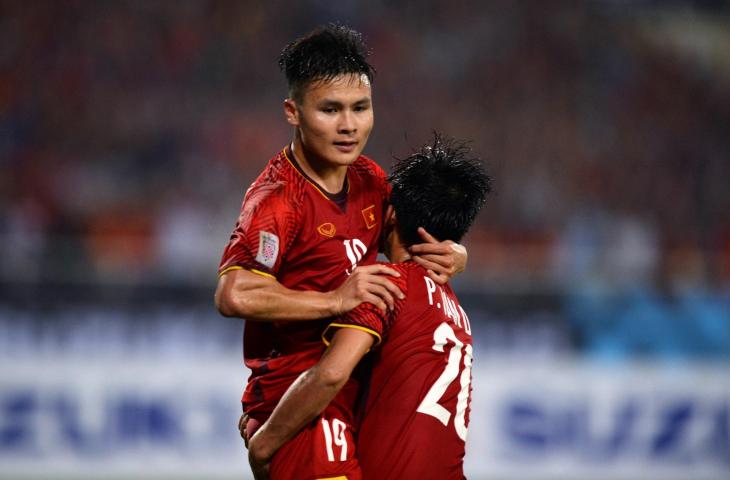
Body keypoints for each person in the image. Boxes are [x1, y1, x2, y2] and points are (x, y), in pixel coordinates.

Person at [214, 25, 466, 479]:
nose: (349, 126)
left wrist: (455, 253)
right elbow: (234, 294)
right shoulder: (276, 200)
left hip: (353, 396)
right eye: (330, 110)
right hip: (299, 402)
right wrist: (333, 300)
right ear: (294, 111)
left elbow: (411, 232)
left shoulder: (370, 179)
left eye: (360, 108)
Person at [246, 133, 491, 480]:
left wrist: (267, 438)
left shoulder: (388, 284)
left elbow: (331, 374)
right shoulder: (458, 313)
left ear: (390, 215)